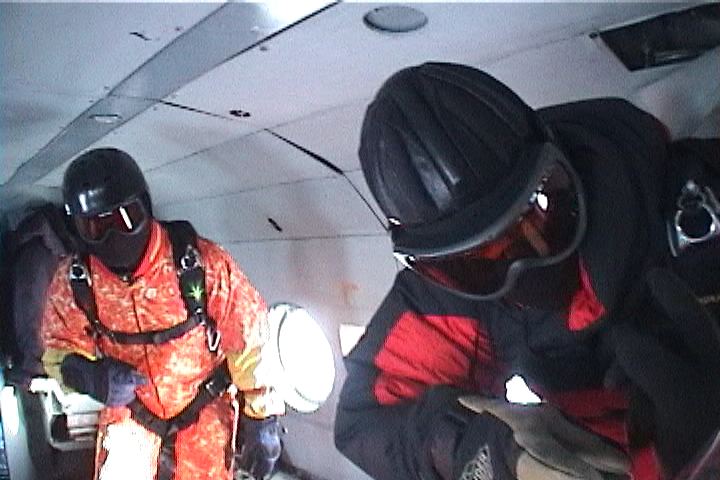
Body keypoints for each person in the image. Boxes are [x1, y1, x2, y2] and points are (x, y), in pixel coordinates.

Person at [334, 62, 720, 480]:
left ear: (561, 167)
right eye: (477, 263)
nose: (518, 270)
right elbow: (365, 422)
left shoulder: (696, 200)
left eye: (534, 219)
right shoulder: (452, 298)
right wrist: (480, 448)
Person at [40, 148, 284, 480]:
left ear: (146, 206)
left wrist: (262, 417)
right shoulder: (76, 282)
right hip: (130, 412)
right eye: (96, 227)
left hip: (204, 412)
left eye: (126, 218)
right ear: (79, 231)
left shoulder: (200, 264)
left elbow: (249, 337)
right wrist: (89, 375)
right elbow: (56, 348)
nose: (115, 236)